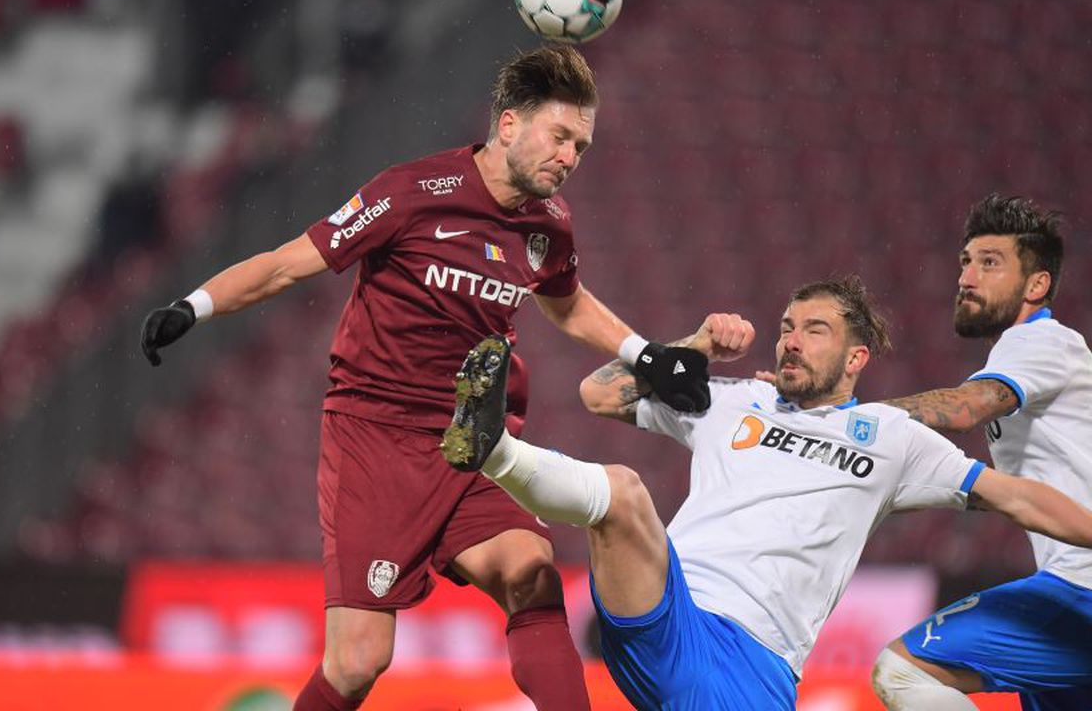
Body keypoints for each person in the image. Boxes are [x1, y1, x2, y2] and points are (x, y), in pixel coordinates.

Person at [139, 44, 712, 710]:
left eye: (580, 146)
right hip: (375, 440)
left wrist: (645, 353)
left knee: (532, 574)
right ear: (508, 124)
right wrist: (194, 306)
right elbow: (286, 264)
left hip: (472, 443)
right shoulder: (410, 193)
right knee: (358, 662)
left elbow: (567, 302)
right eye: (559, 136)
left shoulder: (549, 227)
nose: (569, 157)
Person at [441, 275, 1092, 711]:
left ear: (858, 357)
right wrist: (693, 347)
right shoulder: (737, 401)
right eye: (786, 325)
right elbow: (601, 391)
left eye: (814, 330)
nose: (790, 339)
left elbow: (1018, 497)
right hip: (668, 615)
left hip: (755, 666)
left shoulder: (894, 438)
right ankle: (492, 447)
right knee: (623, 492)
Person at [871, 194, 1092, 710]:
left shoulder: (1041, 342)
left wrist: (842, 421)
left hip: (1082, 588)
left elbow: (966, 408)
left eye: (989, 263)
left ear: (1037, 285)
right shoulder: (1044, 355)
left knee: (904, 669)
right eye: (965, 262)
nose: (966, 277)